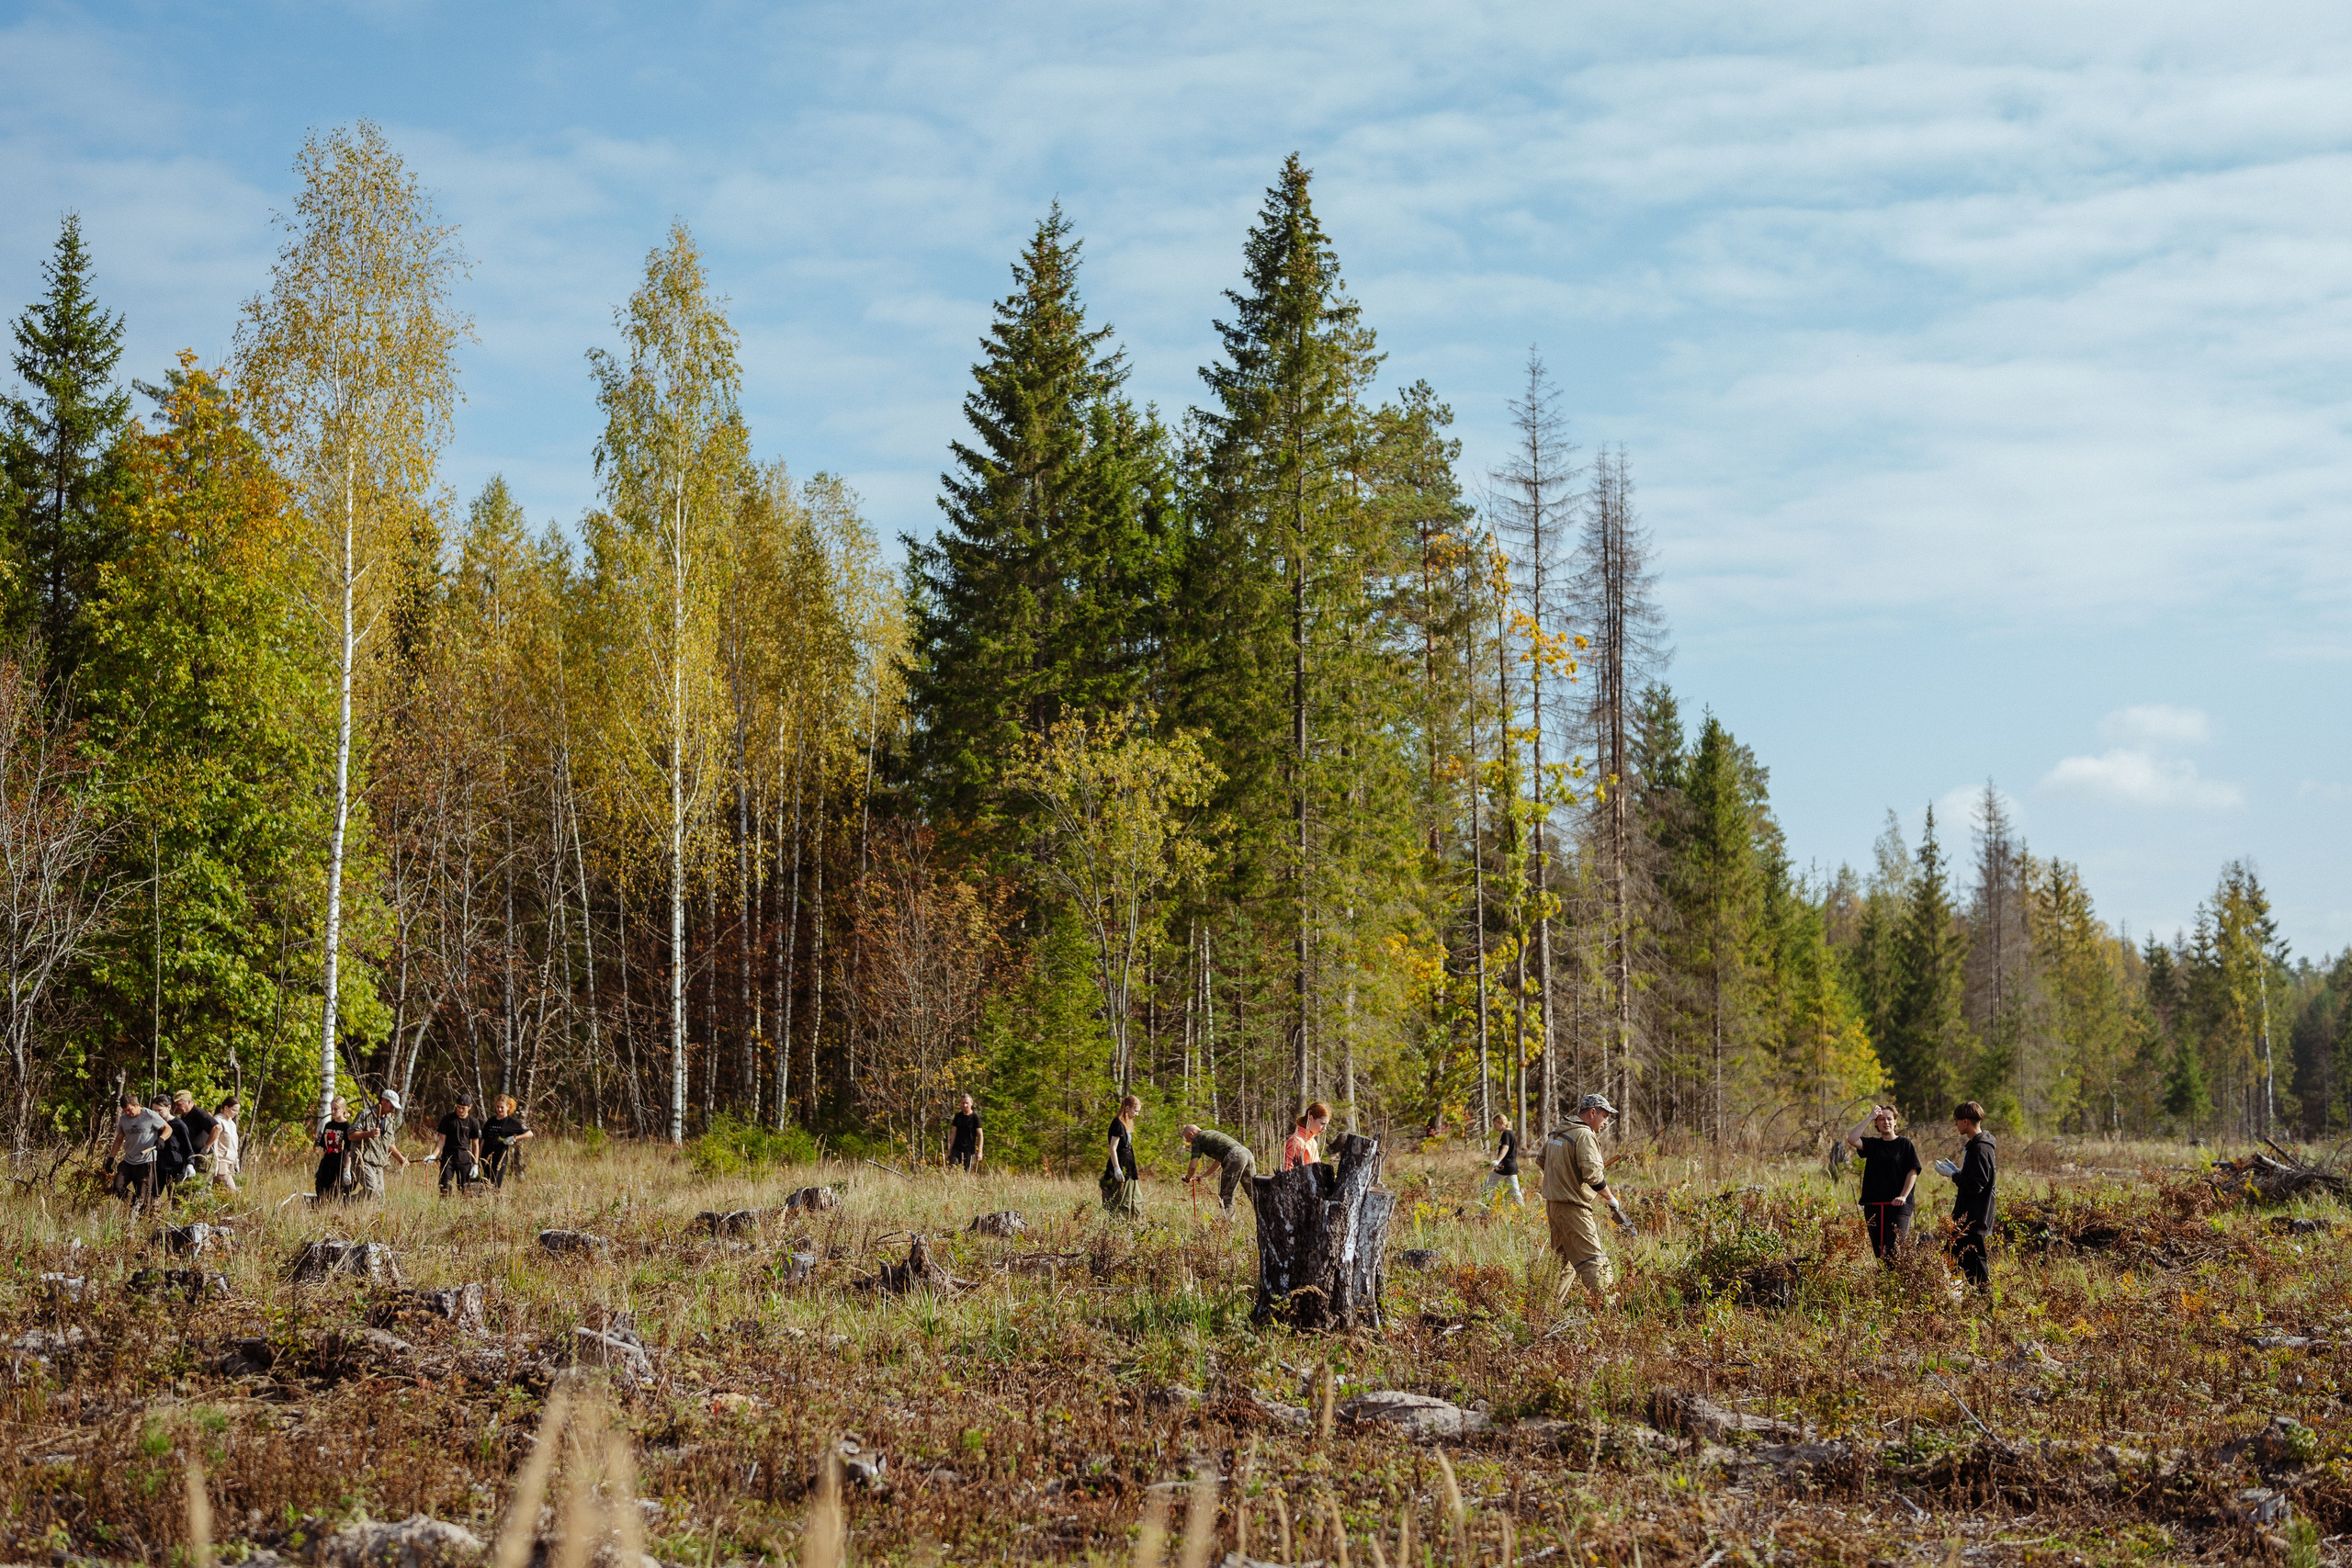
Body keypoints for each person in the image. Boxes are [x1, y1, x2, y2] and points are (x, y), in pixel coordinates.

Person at [1535, 1093, 1628, 1303]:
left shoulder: (1558, 1131)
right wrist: (1611, 1199)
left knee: (1560, 1262)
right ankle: (1608, 1309)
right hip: (1573, 1209)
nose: (1605, 1122)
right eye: (1604, 1116)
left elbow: (1542, 1160)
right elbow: (1594, 1176)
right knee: (1593, 1259)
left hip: (1554, 1207)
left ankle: (1542, 1308)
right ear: (1592, 1112)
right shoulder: (1584, 1135)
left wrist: (1564, 1175)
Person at [1843, 1104, 1920, 1261]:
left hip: (1898, 1206)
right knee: (1880, 1251)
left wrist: (1903, 1196)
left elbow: (1912, 1171)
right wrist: (1869, 1117)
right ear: (1876, 1124)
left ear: (1895, 1122)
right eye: (1881, 1119)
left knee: (1895, 1250)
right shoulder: (1873, 1144)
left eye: (1889, 1119)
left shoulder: (1905, 1144)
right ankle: (1884, 1282)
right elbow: (1852, 1139)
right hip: (1874, 1205)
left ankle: (1898, 1283)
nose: (1886, 1122)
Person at [1942, 1100, 1997, 1292]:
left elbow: (1976, 1185)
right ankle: (1954, 1302)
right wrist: (1958, 1171)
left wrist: (1954, 1175)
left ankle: (1987, 1305)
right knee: (1950, 1259)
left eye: (1957, 1121)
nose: (1956, 1125)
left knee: (1977, 1270)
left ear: (1965, 1121)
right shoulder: (1976, 1146)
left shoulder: (1981, 1148)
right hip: (1965, 1219)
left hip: (1974, 1219)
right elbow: (1975, 1178)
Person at [345, 1089, 409, 1201]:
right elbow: (351, 1135)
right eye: (391, 1105)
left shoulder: (390, 1120)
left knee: (379, 1198)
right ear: (384, 1101)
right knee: (371, 1189)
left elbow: (389, 1143)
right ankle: (347, 1203)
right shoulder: (366, 1114)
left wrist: (400, 1158)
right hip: (363, 1160)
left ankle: (369, 1215)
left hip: (379, 1163)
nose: (393, 1109)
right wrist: (369, 1134)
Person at [108, 1091, 170, 1210]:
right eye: (125, 1110)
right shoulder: (123, 1119)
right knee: (117, 1187)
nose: (128, 1113)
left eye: (130, 1109)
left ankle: (142, 1212)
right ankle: (138, 1205)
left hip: (146, 1161)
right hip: (129, 1160)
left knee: (142, 1196)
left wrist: (161, 1139)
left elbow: (168, 1128)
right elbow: (119, 1138)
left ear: (137, 1105)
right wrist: (111, 1158)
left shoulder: (150, 1115)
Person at [1180, 1122, 1256, 1215]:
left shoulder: (1197, 1139)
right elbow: (1218, 1162)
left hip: (1235, 1155)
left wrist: (1188, 1177)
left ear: (1191, 1134)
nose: (1190, 1142)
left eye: (1188, 1139)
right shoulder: (1211, 1133)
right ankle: (1268, 1221)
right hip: (1247, 1153)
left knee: (1226, 1196)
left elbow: (1193, 1166)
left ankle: (1226, 1225)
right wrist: (1204, 1176)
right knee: (1253, 1192)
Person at [1101, 1093, 1142, 1216]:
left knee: (1137, 1199)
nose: (1137, 1114)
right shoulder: (1117, 1124)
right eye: (1136, 1111)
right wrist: (1117, 1169)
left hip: (1129, 1168)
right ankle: (1119, 1229)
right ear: (1127, 1108)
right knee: (1122, 1202)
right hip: (1121, 1168)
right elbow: (1113, 1148)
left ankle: (1133, 1229)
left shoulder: (1126, 1124)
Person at [434, 1093, 483, 1194]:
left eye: (463, 1108)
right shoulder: (447, 1119)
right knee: (445, 1188)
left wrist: (476, 1164)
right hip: (448, 1158)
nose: (460, 1110)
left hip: (465, 1159)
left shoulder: (474, 1122)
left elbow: (475, 1144)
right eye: (458, 1107)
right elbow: (441, 1140)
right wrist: (433, 1155)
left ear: (470, 1107)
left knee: (465, 1191)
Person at [171, 1091, 220, 1193]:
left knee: (200, 1189)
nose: (176, 1107)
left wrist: (206, 1147)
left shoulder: (198, 1113)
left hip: (204, 1158)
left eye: (179, 1104)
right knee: (189, 1189)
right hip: (193, 1158)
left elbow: (217, 1128)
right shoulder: (184, 1116)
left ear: (188, 1102)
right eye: (175, 1104)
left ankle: (203, 1208)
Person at [481, 1096, 534, 1188]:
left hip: (500, 1158)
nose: (499, 1109)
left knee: (496, 1185)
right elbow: (483, 1139)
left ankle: (496, 1200)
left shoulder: (512, 1122)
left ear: (508, 1107)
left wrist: (515, 1138)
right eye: (497, 1107)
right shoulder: (491, 1121)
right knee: (485, 1183)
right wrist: (478, 1157)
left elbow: (529, 1133)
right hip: (486, 1157)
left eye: (502, 1107)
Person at [314, 1097, 354, 1201]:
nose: (333, 1111)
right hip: (327, 1163)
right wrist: (320, 1166)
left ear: (343, 1109)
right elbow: (324, 1148)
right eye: (331, 1109)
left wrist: (347, 1170)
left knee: (336, 1193)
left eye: (335, 1109)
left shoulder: (347, 1126)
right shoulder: (328, 1125)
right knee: (321, 1190)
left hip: (339, 1164)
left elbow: (349, 1149)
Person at [1484, 1113, 1524, 1208]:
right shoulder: (1511, 1133)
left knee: (1487, 1186)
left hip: (1505, 1166)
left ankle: (1484, 1210)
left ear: (1500, 1122)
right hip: (1513, 1166)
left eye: (1495, 1125)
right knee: (1515, 1192)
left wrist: (1498, 1160)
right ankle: (1523, 1211)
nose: (1495, 1127)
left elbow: (1505, 1148)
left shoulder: (1506, 1133)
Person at [1282, 1101, 1329, 1171]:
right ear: (1311, 1119)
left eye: (1326, 1125)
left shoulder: (1312, 1142)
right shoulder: (1297, 1141)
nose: (1324, 1128)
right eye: (1322, 1123)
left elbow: (1317, 1171)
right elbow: (1288, 1173)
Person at [209, 1097, 243, 1192]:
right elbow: (214, 1143)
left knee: (222, 1194)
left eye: (237, 1111)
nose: (235, 1113)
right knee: (231, 1192)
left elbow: (233, 1144)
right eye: (233, 1110)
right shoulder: (218, 1121)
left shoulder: (232, 1123)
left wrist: (236, 1161)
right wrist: (215, 1163)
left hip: (230, 1163)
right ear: (226, 1107)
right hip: (221, 1162)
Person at [947, 1094, 984, 1172]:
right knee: (952, 1171)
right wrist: (950, 1150)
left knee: (966, 1173)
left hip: (969, 1150)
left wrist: (980, 1151)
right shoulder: (958, 1116)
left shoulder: (975, 1117)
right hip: (956, 1149)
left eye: (967, 1103)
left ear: (972, 1103)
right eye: (963, 1103)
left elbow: (980, 1135)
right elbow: (953, 1133)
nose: (965, 1105)